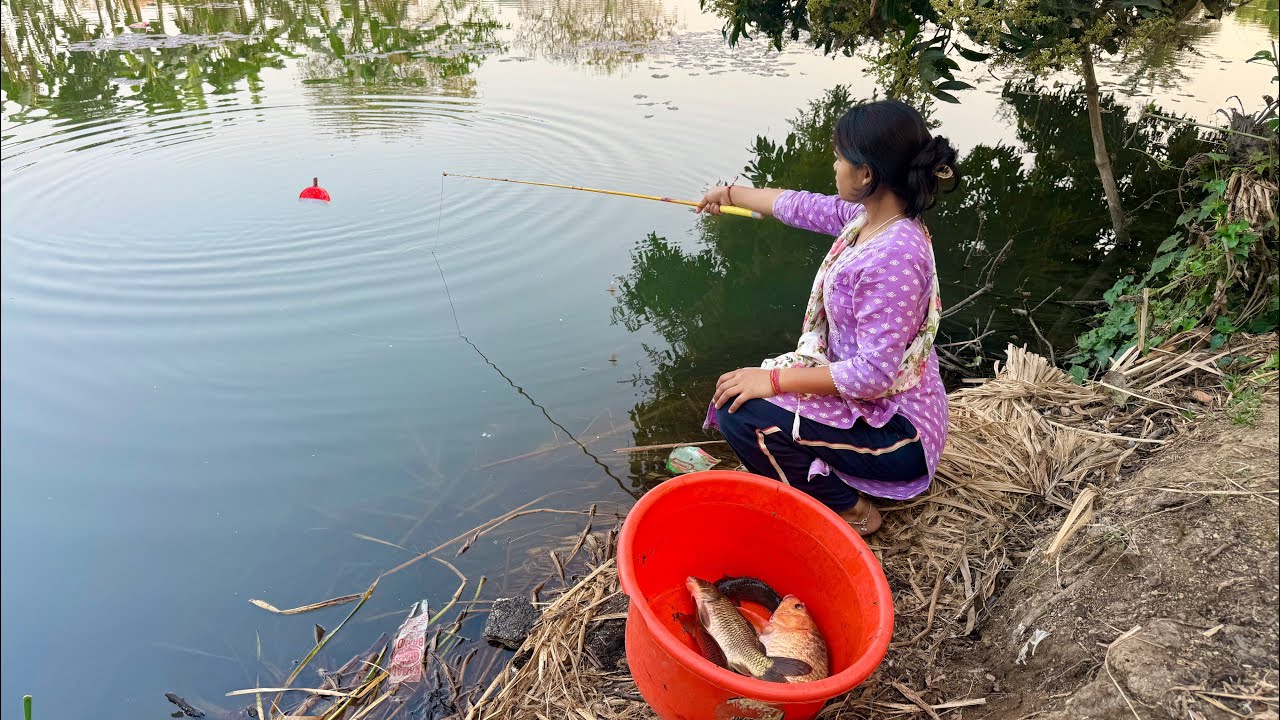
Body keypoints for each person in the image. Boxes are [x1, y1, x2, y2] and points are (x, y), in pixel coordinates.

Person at [696, 99, 954, 537]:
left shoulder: (894, 255)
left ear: (866, 174)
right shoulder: (868, 218)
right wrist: (730, 194)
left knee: (740, 413)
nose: (834, 167)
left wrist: (773, 381)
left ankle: (854, 512)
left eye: (839, 158)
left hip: (898, 434)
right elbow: (797, 205)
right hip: (869, 404)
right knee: (743, 399)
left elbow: (873, 375)